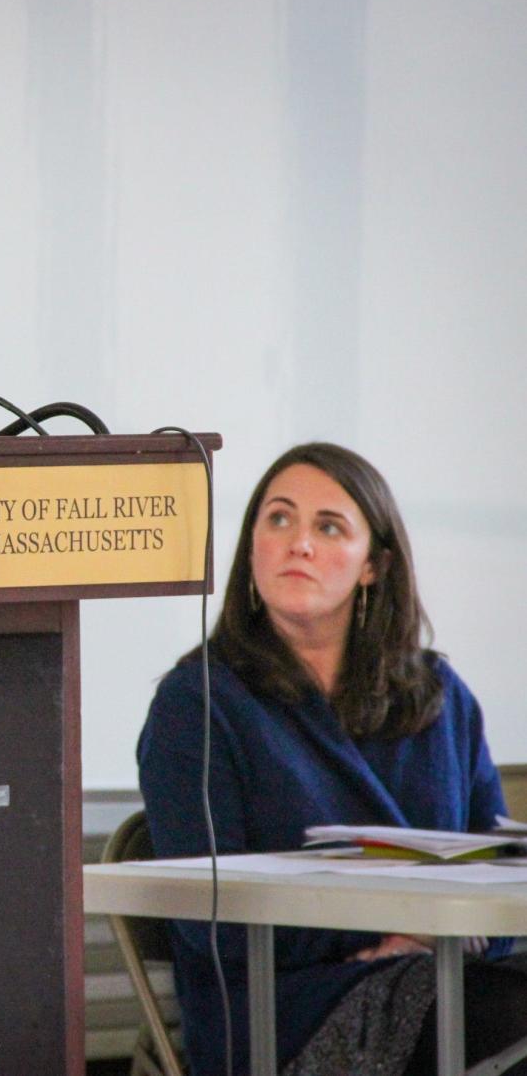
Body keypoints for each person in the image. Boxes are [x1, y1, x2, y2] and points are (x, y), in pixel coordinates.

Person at [138, 442, 527, 1076]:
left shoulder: (440, 697)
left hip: (447, 972)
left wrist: (453, 939)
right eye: (279, 518)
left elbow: (503, 869)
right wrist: (384, 939)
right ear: (252, 546)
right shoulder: (198, 704)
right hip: (283, 1009)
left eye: (328, 526)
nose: (299, 543)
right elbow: (211, 920)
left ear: (373, 565)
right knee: (502, 1015)